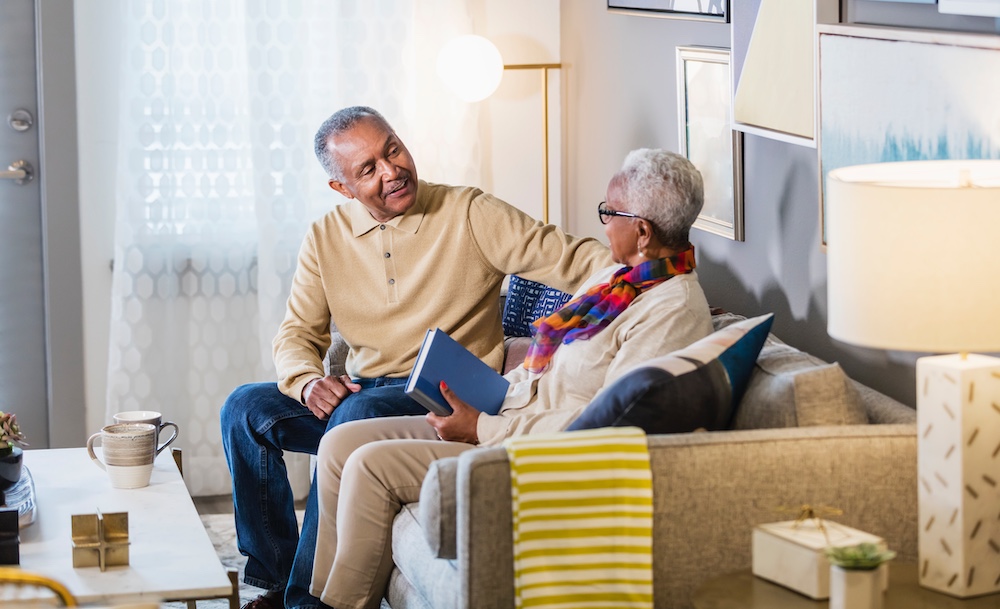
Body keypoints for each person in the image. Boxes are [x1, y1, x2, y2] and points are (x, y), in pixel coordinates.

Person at [220, 106, 610, 609]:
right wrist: (306, 381)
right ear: (343, 188)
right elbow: (297, 332)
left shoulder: (469, 212)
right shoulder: (324, 238)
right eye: (368, 169)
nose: (392, 170)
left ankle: (306, 604)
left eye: (393, 149)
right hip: (367, 390)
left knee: (350, 416)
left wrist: (648, 275)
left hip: (451, 394)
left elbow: (572, 259)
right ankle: (277, 579)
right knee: (245, 409)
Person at [308, 148, 715, 609]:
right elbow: (549, 365)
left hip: (529, 448)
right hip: (503, 411)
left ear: (641, 230)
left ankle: (337, 606)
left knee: (370, 465)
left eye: (608, 213)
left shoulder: (671, 312)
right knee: (338, 446)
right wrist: (477, 394)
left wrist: (480, 427)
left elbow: (607, 430)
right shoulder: (619, 280)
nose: (603, 225)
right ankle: (311, 601)